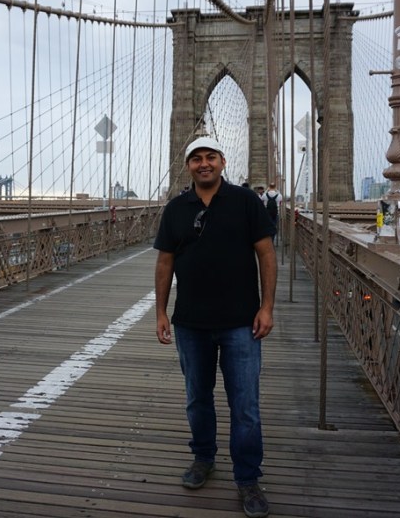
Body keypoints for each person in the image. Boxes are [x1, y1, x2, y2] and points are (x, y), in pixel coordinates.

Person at [154, 136, 277, 518]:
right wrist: (160, 312)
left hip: (241, 322)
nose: (204, 163)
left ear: (223, 162)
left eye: (210, 157)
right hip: (190, 323)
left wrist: (267, 307)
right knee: (197, 398)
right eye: (196, 159)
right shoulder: (176, 208)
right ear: (188, 165)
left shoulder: (246, 201)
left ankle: (248, 478)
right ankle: (203, 458)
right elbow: (164, 262)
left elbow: (266, 254)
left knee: (245, 405)